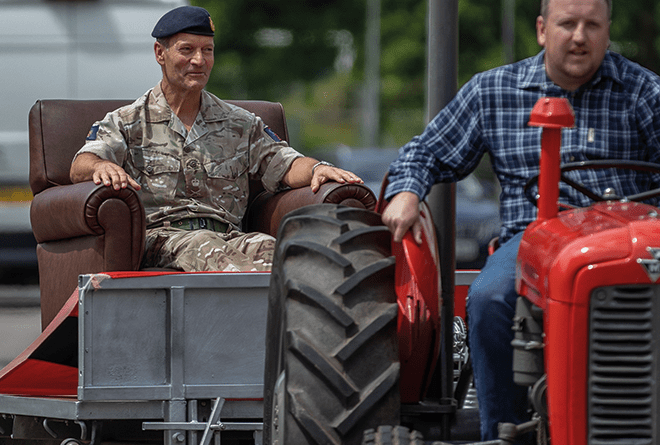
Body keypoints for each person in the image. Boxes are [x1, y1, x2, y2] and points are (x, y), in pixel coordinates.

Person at [382, 0, 660, 442]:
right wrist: (407, 191)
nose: (579, 36)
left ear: (608, 31)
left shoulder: (644, 93)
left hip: (627, 241)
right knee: (491, 298)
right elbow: (426, 151)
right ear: (542, 29)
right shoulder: (494, 90)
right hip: (533, 240)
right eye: (567, 24)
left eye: (592, 25)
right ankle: (505, 431)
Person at [70, 5, 362, 273]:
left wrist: (316, 169)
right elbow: (81, 164)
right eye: (187, 50)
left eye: (207, 50)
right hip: (163, 238)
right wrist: (99, 167)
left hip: (230, 236)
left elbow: (285, 163)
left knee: (282, 252)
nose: (199, 61)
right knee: (205, 247)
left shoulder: (239, 123)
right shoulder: (128, 121)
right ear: (160, 53)